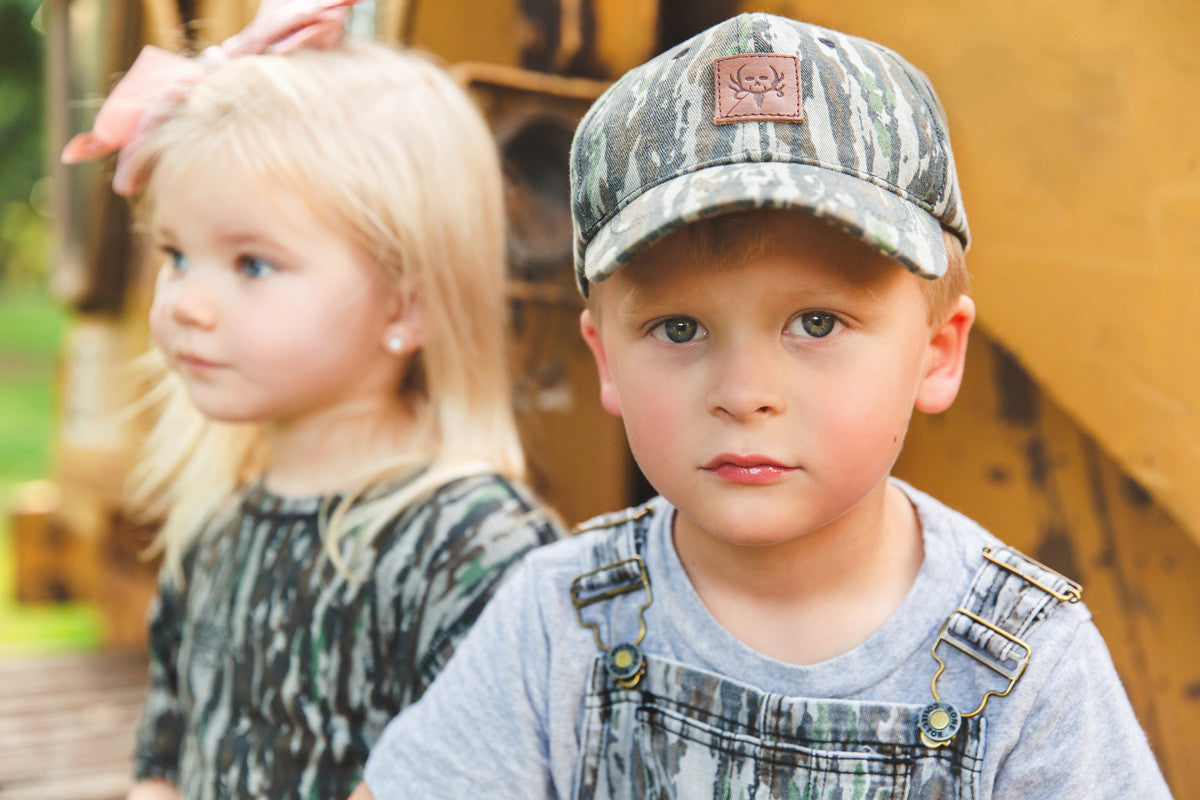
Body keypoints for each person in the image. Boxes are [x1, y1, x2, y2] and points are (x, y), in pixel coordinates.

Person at [354, 12, 1172, 800]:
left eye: (816, 323)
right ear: (604, 359)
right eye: (679, 328)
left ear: (937, 352)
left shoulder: (1023, 663)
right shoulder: (564, 615)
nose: (744, 395)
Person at [60, 2, 563, 798]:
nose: (186, 301)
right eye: (177, 255)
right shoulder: (220, 524)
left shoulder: (470, 549)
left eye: (253, 264)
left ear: (406, 304)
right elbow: (166, 752)